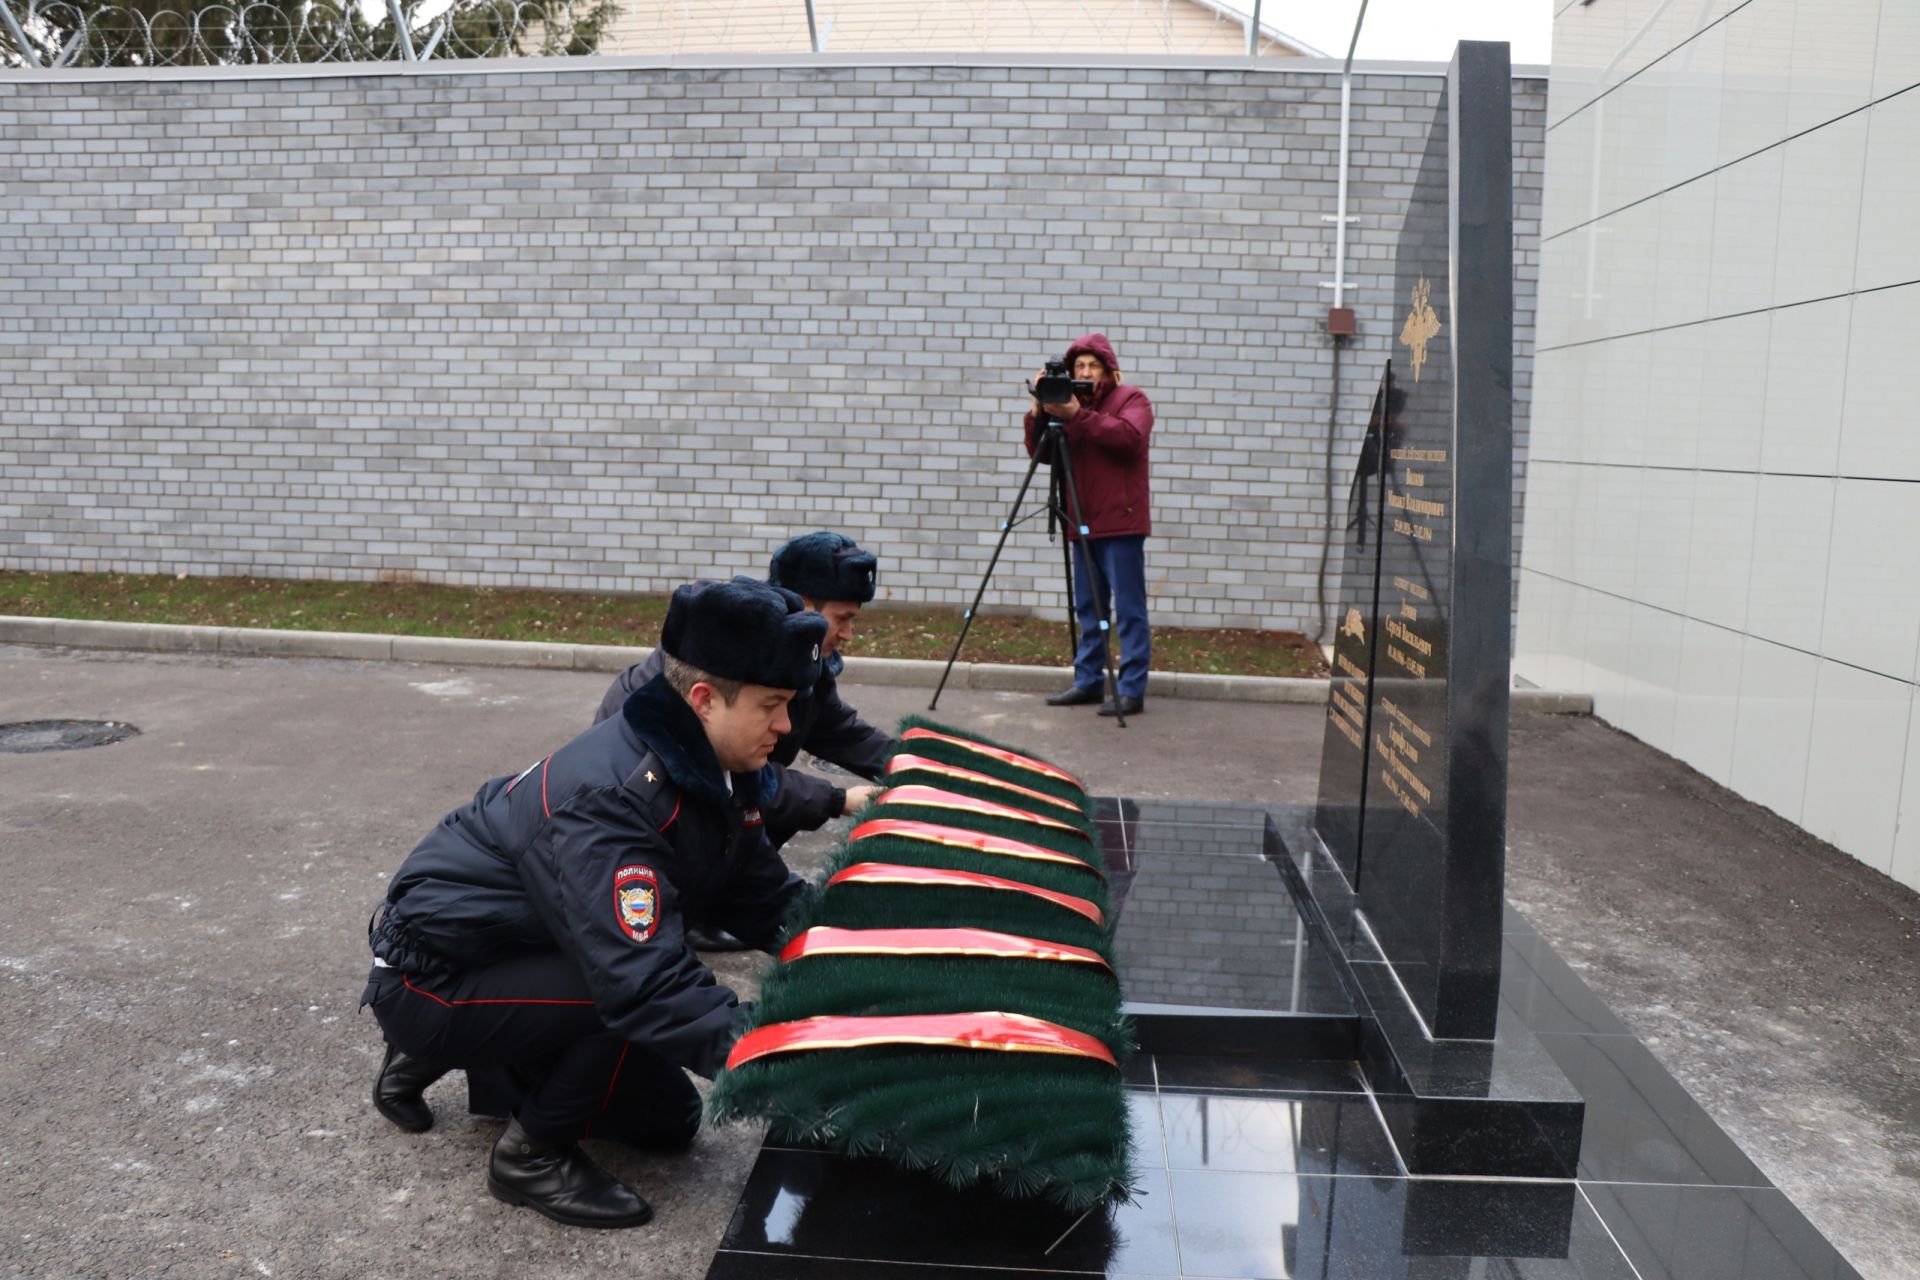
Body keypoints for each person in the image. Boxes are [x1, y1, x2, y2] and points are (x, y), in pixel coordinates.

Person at [360, 578, 827, 1229]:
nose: (786, 725)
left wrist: (864, 954)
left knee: (671, 1126)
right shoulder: (611, 801)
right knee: (615, 996)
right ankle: (529, 1156)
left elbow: (762, 896)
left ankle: (461, 1052)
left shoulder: (718, 767)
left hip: (513, 947)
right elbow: (645, 986)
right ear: (702, 699)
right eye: (772, 705)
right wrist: (788, 1059)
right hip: (432, 976)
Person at [594, 531, 893, 870]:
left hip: (723, 840)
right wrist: (837, 799)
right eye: (842, 619)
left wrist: (913, 763)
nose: (848, 635)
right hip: (666, 848)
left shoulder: (785, 661)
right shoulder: (722, 661)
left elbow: (840, 732)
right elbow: (737, 780)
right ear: (805, 602)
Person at [1025, 333, 1154, 716]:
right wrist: (1039, 410)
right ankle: (1088, 682)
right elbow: (1042, 454)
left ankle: (1131, 689)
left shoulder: (1131, 399)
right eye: (1078, 366)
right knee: (1088, 607)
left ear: (1108, 370)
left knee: (1129, 610)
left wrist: (1077, 416)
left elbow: (1129, 438)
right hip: (1080, 519)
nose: (1084, 373)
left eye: (1091, 366)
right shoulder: (1070, 405)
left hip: (1121, 521)